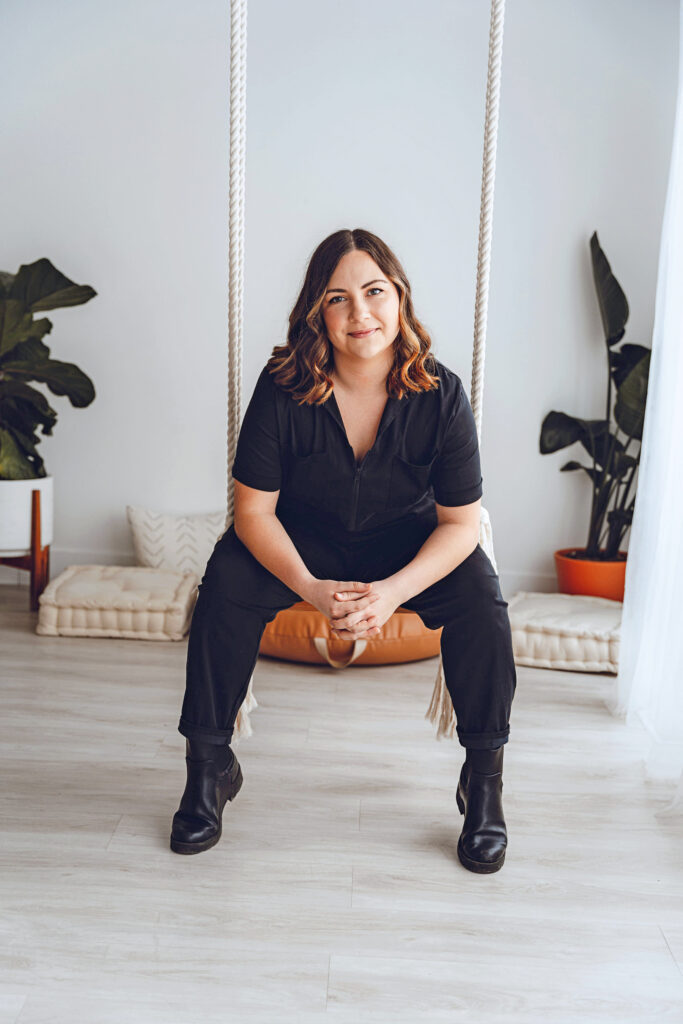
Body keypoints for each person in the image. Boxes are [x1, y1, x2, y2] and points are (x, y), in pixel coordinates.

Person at [170, 228, 517, 873]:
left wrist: (392, 593)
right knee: (223, 584)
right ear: (316, 313)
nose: (360, 314)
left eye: (374, 291)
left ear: (400, 298)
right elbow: (253, 512)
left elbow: (462, 524)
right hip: (300, 540)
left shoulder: (441, 395)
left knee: (481, 599)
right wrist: (307, 587)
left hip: (405, 545)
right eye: (338, 298)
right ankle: (207, 769)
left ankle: (484, 784)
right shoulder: (283, 386)